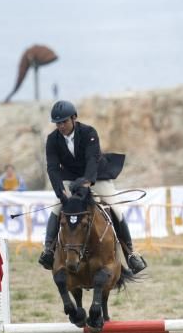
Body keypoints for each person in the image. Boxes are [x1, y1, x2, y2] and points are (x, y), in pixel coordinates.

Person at [39, 100, 146, 274]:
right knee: (57, 209)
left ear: (74, 118)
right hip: (69, 178)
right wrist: (60, 192)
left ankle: (131, 254)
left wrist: (86, 182)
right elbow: (52, 167)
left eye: (64, 121)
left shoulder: (89, 132)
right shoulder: (52, 139)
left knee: (116, 209)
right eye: (58, 123)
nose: (61, 126)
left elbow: (92, 160)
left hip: (97, 176)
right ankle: (48, 250)